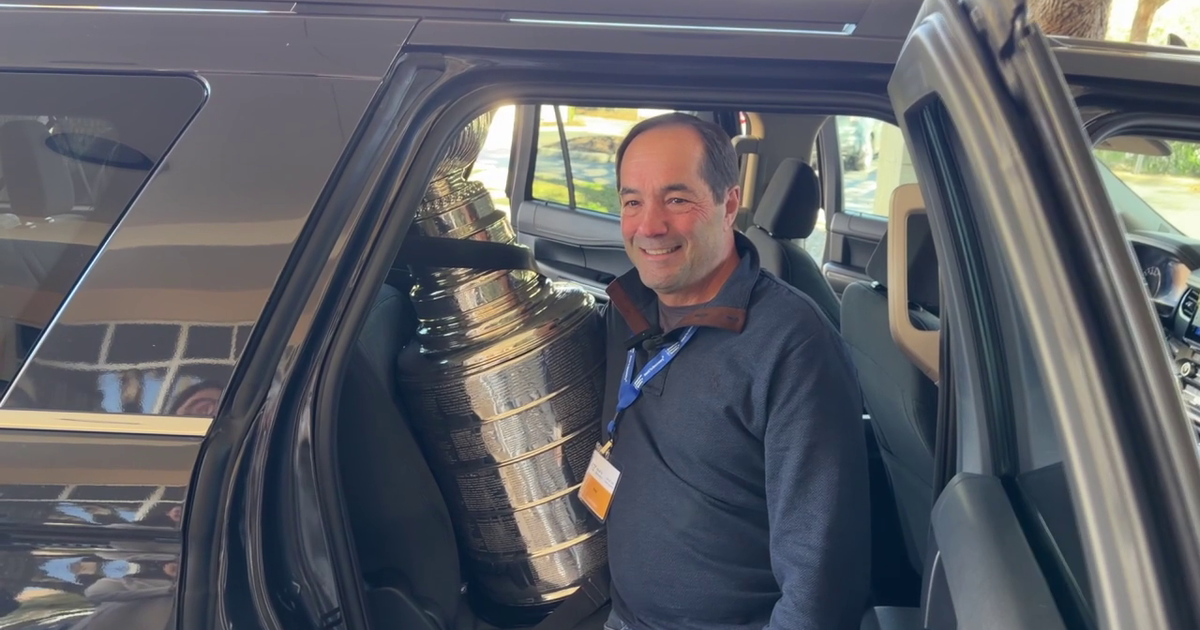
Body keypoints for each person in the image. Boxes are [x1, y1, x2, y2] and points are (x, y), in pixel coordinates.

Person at [590, 113, 871, 630]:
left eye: (676, 199)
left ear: (729, 204)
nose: (649, 225)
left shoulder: (793, 345)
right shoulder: (627, 310)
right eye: (633, 201)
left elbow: (821, 582)